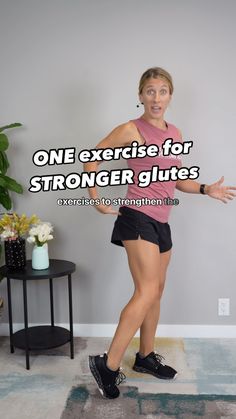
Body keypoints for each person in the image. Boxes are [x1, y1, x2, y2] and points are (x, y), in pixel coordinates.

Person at [85, 67, 236, 399]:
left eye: (163, 91)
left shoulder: (175, 133)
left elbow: (176, 179)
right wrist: (97, 201)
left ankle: (145, 357)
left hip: (161, 221)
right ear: (140, 95)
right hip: (136, 216)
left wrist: (205, 188)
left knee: (156, 291)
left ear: (170, 96)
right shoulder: (131, 129)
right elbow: (90, 159)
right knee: (146, 291)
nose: (156, 97)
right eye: (150, 91)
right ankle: (107, 366)